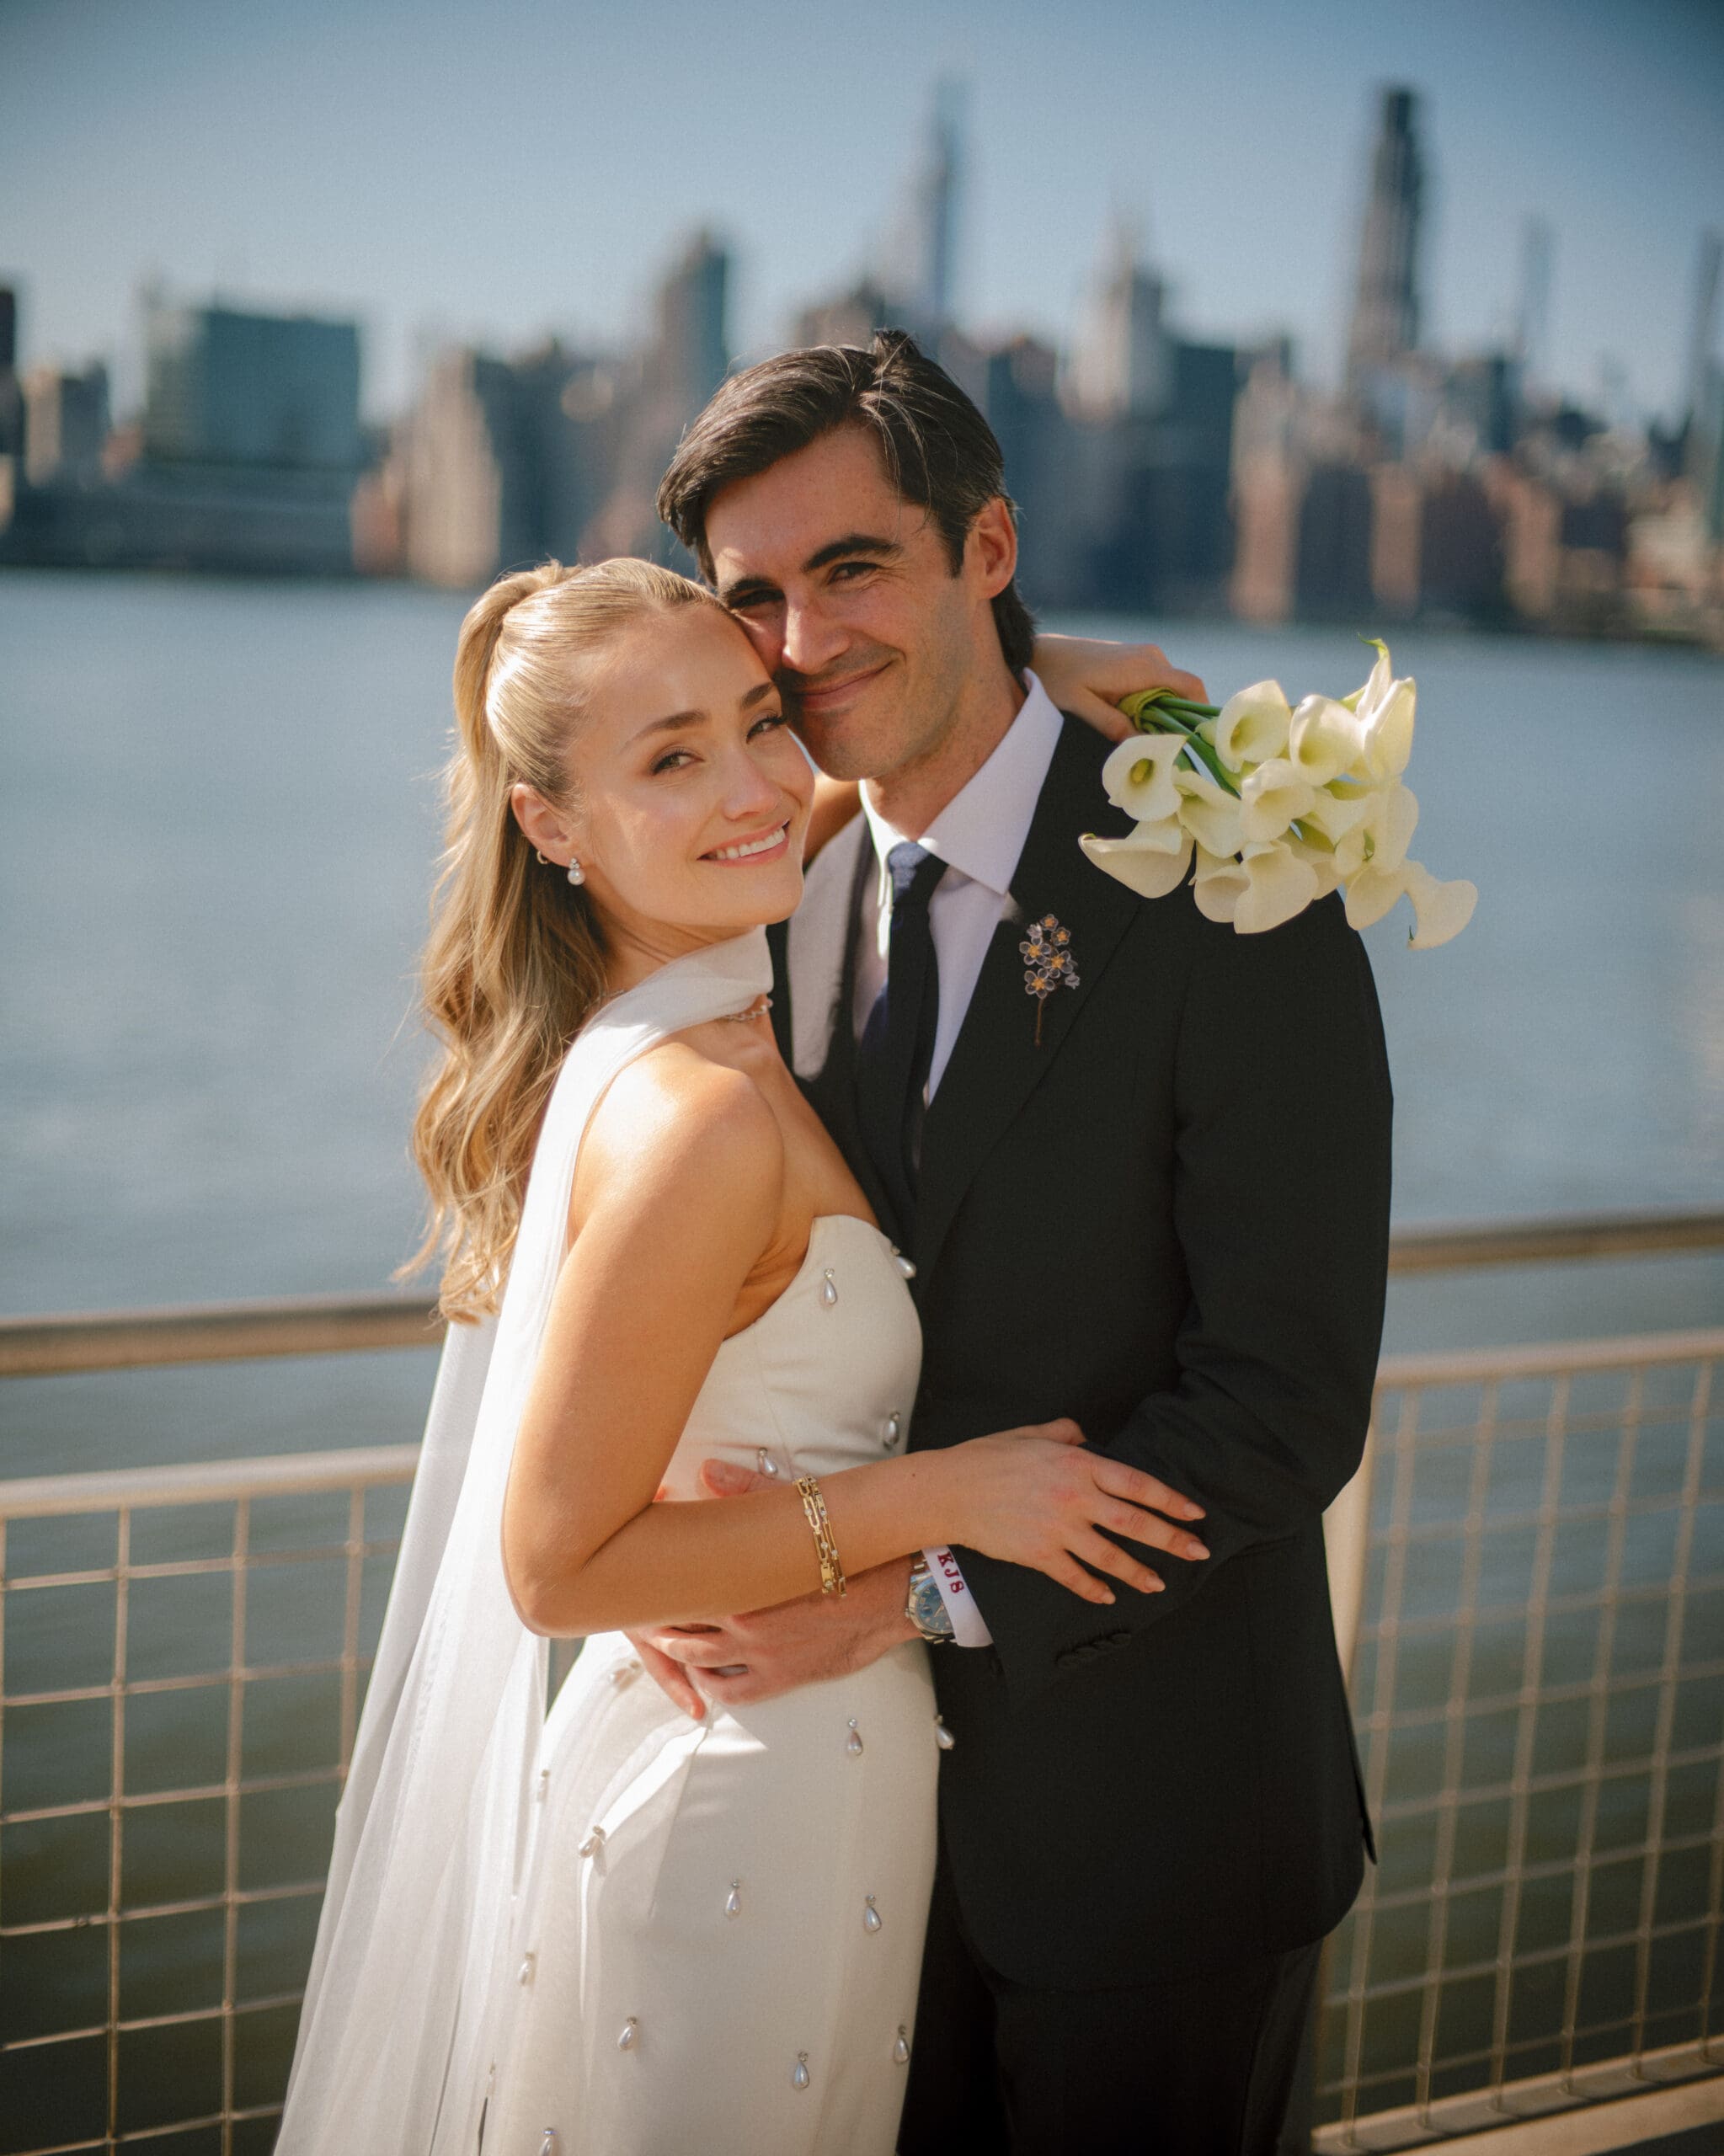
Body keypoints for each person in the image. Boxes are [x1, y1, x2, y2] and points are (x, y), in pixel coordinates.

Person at [275, 555, 1209, 2156]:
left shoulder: (708, 1005)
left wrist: (1028, 664)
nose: (756, 788)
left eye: (759, 721)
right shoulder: (697, 1120)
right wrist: (948, 1497)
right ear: (551, 825)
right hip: (737, 1801)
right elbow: (560, 1568)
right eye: (670, 759)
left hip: (799, 1770)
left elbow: (825, 790)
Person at [637, 330, 1395, 2155]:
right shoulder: (783, 885)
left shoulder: (1235, 888)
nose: (804, 642)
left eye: (855, 567)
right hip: (851, 1838)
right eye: (757, 596)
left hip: (1154, 1848)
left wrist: (899, 1591)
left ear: (988, 545)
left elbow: (1280, 1404)